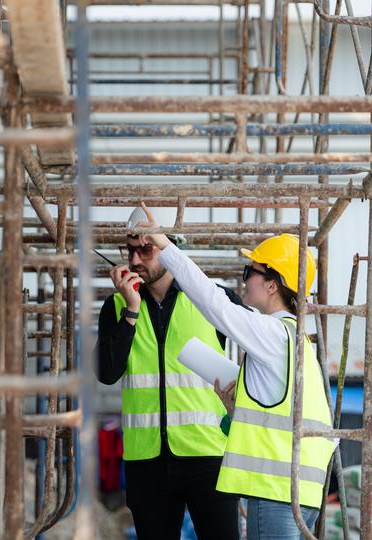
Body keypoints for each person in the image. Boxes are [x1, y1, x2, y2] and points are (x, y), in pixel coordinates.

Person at [139, 204, 334, 540]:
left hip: (275, 491)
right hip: (296, 489)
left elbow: (214, 305)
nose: (245, 281)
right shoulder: (293, 338)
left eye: (250, 273)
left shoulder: (272, 332)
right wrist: (235, 410)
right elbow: (281, 415)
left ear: (273, 285)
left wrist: (165, 247)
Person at [95, 205, 243, 540]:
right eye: (129, 250)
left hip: (207, 455)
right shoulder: (116, 306)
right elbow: (106, 373)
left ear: (169, 247)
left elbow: (265, 349)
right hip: (145, 463)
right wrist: (131, 311)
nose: (134, 261)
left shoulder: (214, 300)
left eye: (145, 249)